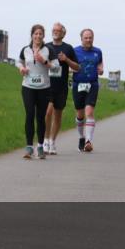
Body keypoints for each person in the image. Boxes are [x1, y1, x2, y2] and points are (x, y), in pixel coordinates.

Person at [42, 22, 80, 155]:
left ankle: (52, 141)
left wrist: (66, 59)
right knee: (47, 113)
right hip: (47, 85)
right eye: (54, 30)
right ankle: (45, 140)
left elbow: (77, 67)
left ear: (63, 33)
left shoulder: (68, 48)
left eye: (58, 30)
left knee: (57, 115)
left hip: (61, 86)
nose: (55, 32)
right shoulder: (46, 46)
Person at [17, 25, 52, 159]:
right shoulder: (25, 50)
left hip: (44, 88)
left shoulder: (48, 50)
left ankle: (41, 147)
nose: (38, 36)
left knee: (40, 117)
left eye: (40, 34)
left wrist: (45, 62)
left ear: (43, 36)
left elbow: (56, 69)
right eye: (35, 34)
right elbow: (19, 62)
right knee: (29, 114)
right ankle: (29, 147)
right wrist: (21, 68)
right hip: (28, 86)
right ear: (32, 35)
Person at [72, 29, 104, 152]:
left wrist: (100, 70)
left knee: (89, 112)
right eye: (86, 38)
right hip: (78, 85)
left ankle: (88, 141)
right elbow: (70, 65)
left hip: (92, 85)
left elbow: (100, 64)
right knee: (80, 115)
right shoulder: (75, 51)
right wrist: (72, 69)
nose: (88, 40)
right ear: (81, 39)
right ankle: (81, 137)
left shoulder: (98, 51)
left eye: (90, 37)